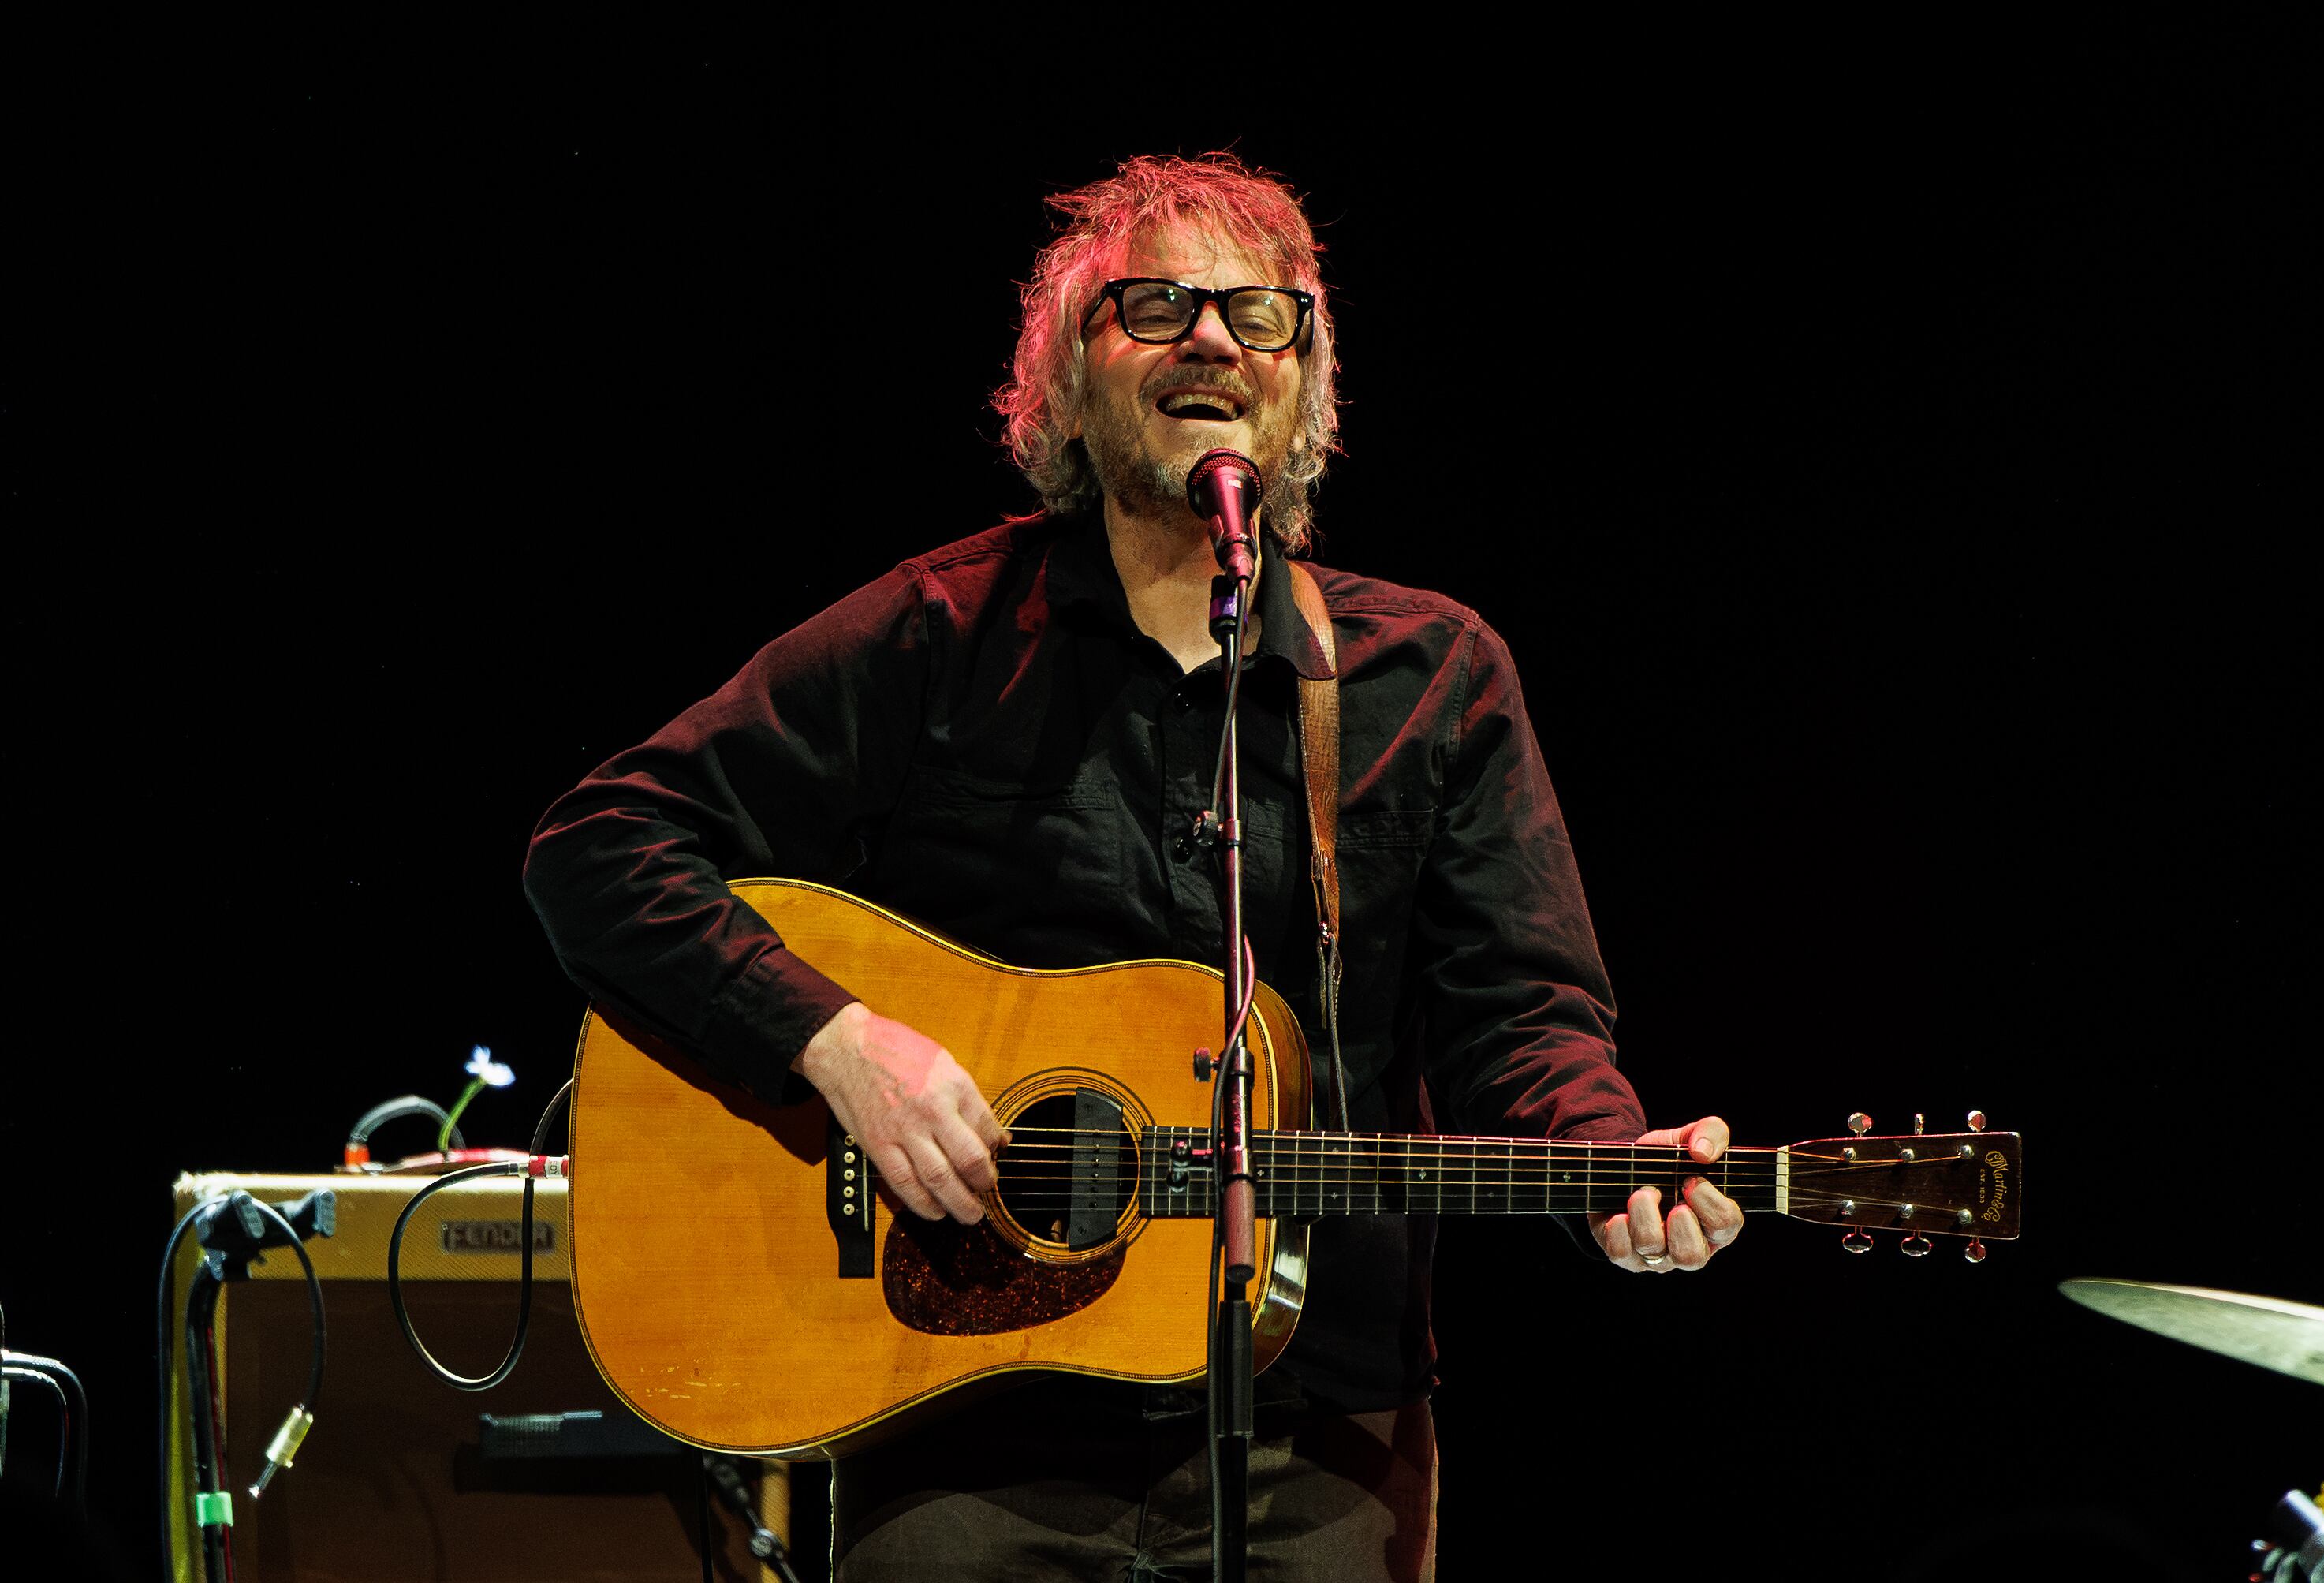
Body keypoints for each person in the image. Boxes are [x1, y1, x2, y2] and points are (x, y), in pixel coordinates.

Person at [523, 151, 1744, 1581]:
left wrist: (1604, 1157)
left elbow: (1521, 1009)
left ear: (1306, 382)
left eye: (1258, 313)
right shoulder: (938, 636)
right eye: (1153, 306)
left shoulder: (1435, 676)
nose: (1212, 338)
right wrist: (835, 1041)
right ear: (1067, 376)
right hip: (965, 1411)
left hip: (1320, 1420)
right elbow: (600, 846)